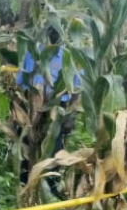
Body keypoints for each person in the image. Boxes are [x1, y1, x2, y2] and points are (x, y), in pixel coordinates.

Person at [14, 26, 79, 187]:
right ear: (46, 33)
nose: (53, 35)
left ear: (62, 34)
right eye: (50, 31)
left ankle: (51, 184)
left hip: (56, 108)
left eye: (56, 31)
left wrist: (70, 115)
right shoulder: (32, 54)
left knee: (54, 145)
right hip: (33, 106)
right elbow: (21, 83)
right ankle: (26, 181)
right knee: (28, 142)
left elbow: (77, 88)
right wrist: (19, 110)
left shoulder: (68, 57)